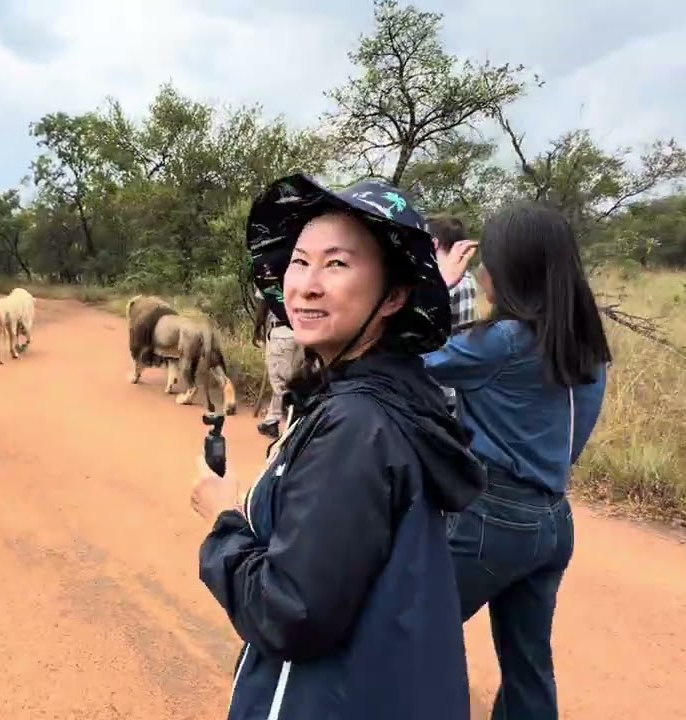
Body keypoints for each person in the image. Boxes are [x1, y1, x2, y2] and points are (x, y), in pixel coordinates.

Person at [191, 174, 487, 719]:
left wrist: (224, 520)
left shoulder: (357, 426)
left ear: (394, 294)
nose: (305, 284)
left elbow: (290, 613)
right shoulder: (397, 397)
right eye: (300, 262)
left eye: (337, 264)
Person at [424, 202, 612, 720]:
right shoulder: (588, 347)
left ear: (511, 272)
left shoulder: (500, 342)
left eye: (491, 259)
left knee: (411, 633)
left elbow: (406, 358)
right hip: (554, 519)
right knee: (529, 667)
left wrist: (435, 288)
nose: (482, 270)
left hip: (494, 518)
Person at [426, 214, 479, 417]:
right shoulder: (467, 278)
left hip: (438, 381)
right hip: (455, 378)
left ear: (434, 243)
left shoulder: (445, 283)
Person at [251, 286, 304, 439]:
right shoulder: (301, 273)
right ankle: (271, 420)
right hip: (302, 331)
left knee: (279, 380)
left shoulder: (270, 276)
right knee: (294, 377)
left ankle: (292, 422)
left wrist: (256, 329)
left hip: (281, 332)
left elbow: (263, 304)